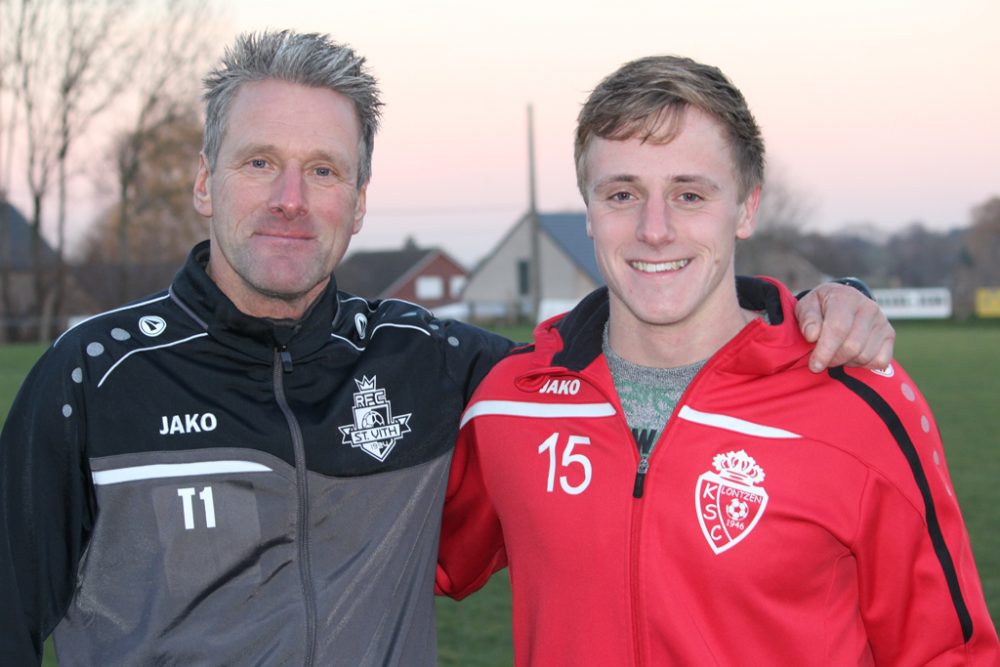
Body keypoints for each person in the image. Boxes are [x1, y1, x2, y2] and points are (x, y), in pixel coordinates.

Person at [0, 31, 893, 666]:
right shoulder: (91, 379)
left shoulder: (433, 367)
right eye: (258, 161)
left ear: (359, 201)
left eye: (324, 169)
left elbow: (623, 342)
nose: (290, 198)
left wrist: (819, 308)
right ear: (204, 182)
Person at [436, 55, 1000, 665]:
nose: (655, 229)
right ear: (590, 212)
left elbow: (948, 651)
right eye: (622, 193)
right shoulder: (509, 403)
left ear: (748, 208)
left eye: (690, 194)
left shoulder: (860, 403)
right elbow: (408, 562)